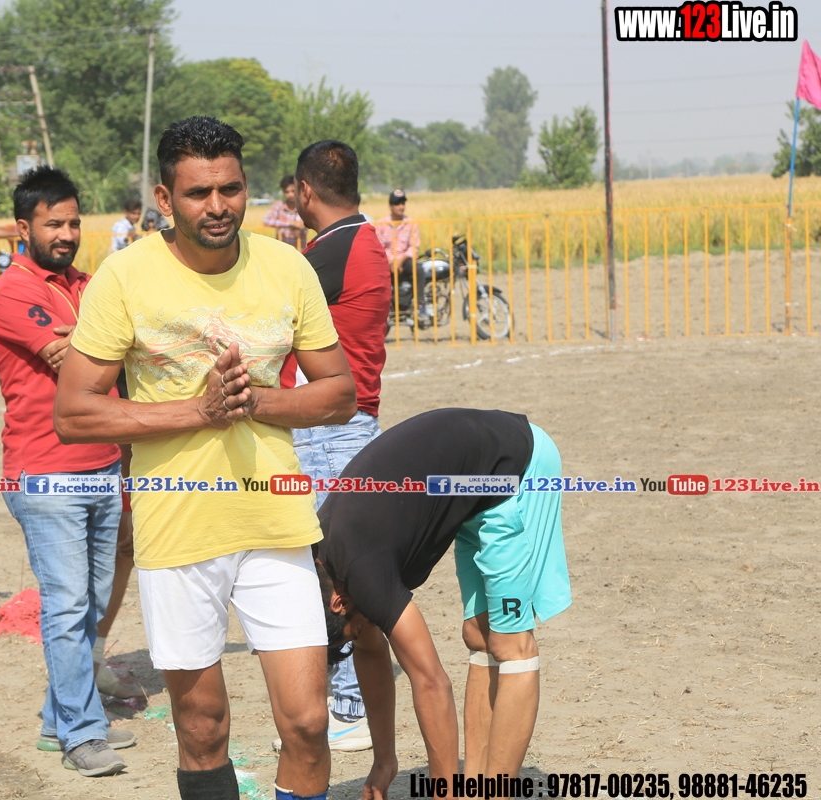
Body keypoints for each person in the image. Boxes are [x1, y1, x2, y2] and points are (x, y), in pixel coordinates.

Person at [54, 115, 358, 800]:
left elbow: (341, 393)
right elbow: (73, 413)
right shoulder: (124, 277)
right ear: (165, 199)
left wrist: (257, 401)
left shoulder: (287, 267)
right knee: (202, 726)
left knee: (308, 723)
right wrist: (198, 411)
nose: (218, 206)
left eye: (231, 189)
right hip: (178, 530)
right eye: (198, 193)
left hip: (277, 522)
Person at [314, 408, 573, 799]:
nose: (364, 632)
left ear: (338, 602)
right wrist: (384, 761)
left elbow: (432, 682)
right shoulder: (320, 562)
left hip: (517, 467)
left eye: (356, 629)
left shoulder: (360, 570)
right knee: (478, 635)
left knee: (511, 644)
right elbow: (369, 652)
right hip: (471, 487)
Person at [0, 166, 137, 778]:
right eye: (54, 224)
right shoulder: (12, 291)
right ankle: (81, 732)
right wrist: (100, 341)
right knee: (68, 604)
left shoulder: (87, 284)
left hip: (102, 465)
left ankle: (59, 719)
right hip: (45, 473)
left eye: (73, 222)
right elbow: (72, 359)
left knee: (92, 603)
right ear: (23, 228)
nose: (67, 234)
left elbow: (120, 344)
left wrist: (99, 340)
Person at [276, 140, 391, 753]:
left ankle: (346, 707)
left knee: (331, 570)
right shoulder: (361, 241)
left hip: (327, 428)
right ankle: (346, 699)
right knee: (342, 562)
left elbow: (270, 305)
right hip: (346, 423)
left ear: (305, 191)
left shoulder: (333, 249)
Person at [374, 190, 421, 324]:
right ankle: (381, 306)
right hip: (386, 261)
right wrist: (391, 262)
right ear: (390, 206)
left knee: (419, 269)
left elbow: (414, 246)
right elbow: (379, 247)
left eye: (403, 203)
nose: (401, 206)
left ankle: (420, 304)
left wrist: (400, 260)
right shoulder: (381, 224)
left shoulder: (411, 223)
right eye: (397, 204)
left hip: (405, 260)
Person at [263, 175, 307, 249]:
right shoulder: (278, 205)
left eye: (293, 191)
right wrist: (290, 223)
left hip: (299, 250)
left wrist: (304, 225)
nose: (290, 194)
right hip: (282, 250)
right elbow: (266, 221)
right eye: (287, 192)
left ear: (298, 190)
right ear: (283, 192)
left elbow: (309, 222)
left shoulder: (304, 207)